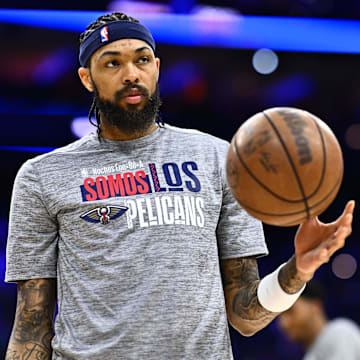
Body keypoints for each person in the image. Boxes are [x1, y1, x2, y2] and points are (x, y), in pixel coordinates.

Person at [5, 12, 354, 360]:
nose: (131, 74)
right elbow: (32, 326)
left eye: (141, 60)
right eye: (112, 64)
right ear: (87, 78)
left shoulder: (221, 160)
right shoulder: (43, 175)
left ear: (156, 67)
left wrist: (298, 270)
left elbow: (245, 316)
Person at [278, 280, 360, 359]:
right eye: (280, 316)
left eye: (290, 311)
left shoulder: (340, 332)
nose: (283, 323)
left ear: (315, 306)